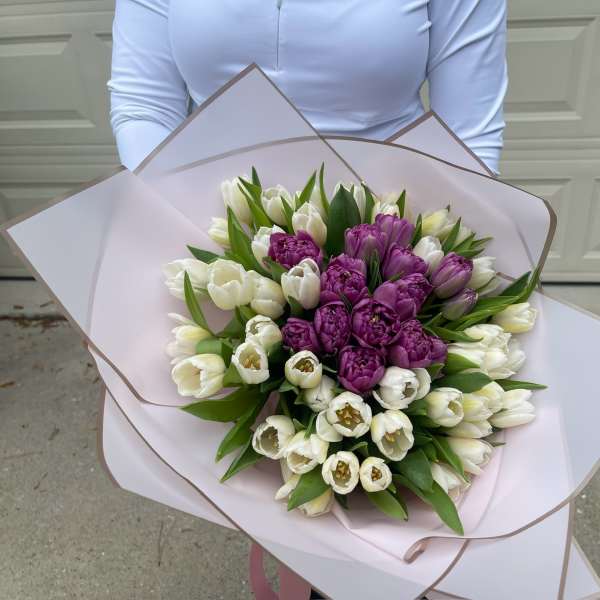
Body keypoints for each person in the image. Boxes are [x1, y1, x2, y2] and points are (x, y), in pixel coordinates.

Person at [108, 3, 507, 598]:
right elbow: (145, 103)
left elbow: (468, 134)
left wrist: (436, 269)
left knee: (386, 521)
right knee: (273, 489)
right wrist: (187, 244)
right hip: (224, 253)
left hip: (392, 261)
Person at [108, 0, 507, 174]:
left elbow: (467, 136)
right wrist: (164, 224)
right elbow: (145, 104)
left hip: (388, 239)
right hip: (208, 228)